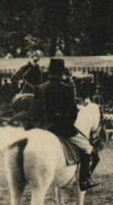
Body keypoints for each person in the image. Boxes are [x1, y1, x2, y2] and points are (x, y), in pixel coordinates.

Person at [31, 58, 96, 191]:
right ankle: (84, 179)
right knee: (87, 147)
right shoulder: (67, 88)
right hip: (62, 129)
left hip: (42, 129)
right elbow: (73, 113)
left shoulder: (39, 88)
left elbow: (34, 113)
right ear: (61, 72)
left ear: (49, 71)